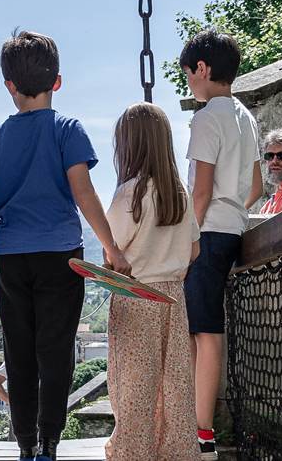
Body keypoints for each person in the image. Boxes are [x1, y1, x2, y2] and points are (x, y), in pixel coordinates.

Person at [0, 30, 130, 461]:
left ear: (9, 85)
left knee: (19, 352)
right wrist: (112, 248)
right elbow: (84, 193)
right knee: (56, 350)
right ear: (57, 82)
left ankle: (25, 445)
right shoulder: (67, 129)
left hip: (12, 255)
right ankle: (49, 443)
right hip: (60, 255)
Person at [179, 30, 261, 459]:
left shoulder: (207, 116)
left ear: (203, 69)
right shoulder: (246, 117)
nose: (189, 82)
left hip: (207, 231)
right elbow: (258, 184)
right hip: (232, 227)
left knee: (205, 333)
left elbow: (201, 189)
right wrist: (235, 212)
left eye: (189, 73)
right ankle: (195, 427)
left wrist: (188, 237)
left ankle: (201, 433)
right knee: (201, 329)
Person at [104, 102, 202, 461]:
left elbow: (113, 249)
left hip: (135, 296)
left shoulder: (130, 192)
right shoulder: (180, 191)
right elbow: (194, 250)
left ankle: (132, 452)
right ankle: (177, 452)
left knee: (134, 385)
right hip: (173, 297)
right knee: (175, 383)